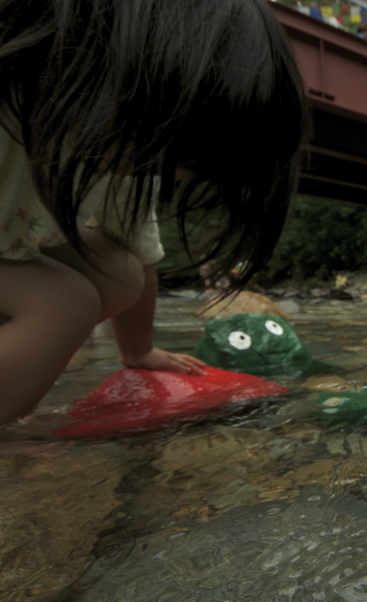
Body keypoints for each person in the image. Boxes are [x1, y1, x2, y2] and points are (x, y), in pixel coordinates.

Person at [0, 0, 307, 424]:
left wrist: (139, 352)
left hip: (9, 244)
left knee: (119, 273)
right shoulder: (14, 84)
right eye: (183, 154)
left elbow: (139, 258)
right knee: (65, 304)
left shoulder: (129, 156)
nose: (176, 174)